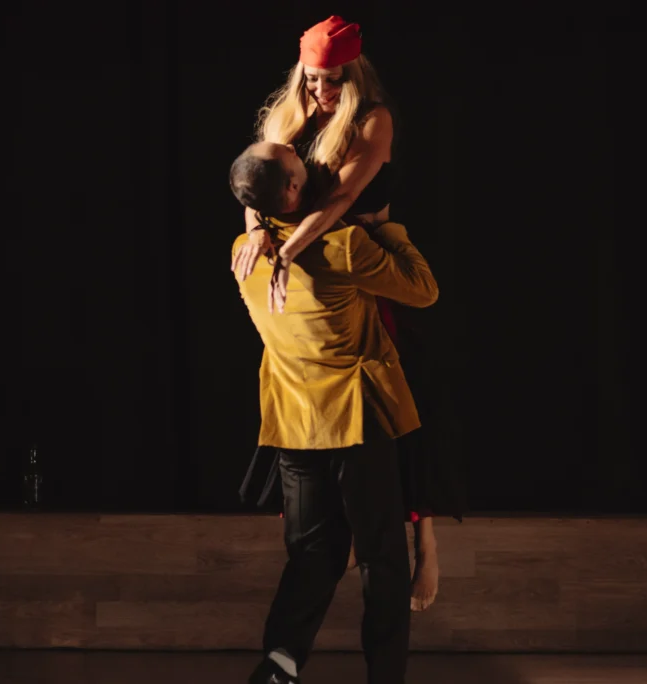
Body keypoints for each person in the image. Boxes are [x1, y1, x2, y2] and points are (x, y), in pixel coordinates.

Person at [232, 15, 463, 615]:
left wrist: (287, 249)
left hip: (362, 257)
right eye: (311, 79)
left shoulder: (371, 119)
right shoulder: (289, 116)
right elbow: (254, 184)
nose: (320, 91)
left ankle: (425, 544)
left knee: (403, 411)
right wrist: (256, 231)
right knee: (318, 404)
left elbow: (339, 198)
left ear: (354, 74)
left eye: (332, 80)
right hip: (322, 268)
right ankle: (342, 528)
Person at [229, 140, 439, 684]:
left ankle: (280, 662)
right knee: (381, 558)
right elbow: (423, 290)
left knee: (312, 553)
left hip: (294, 424)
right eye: (296, 161)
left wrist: (259, 229)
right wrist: (388, 229)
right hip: (355, 420)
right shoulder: (343, 245)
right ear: (293, 188)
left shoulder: (243, 253)